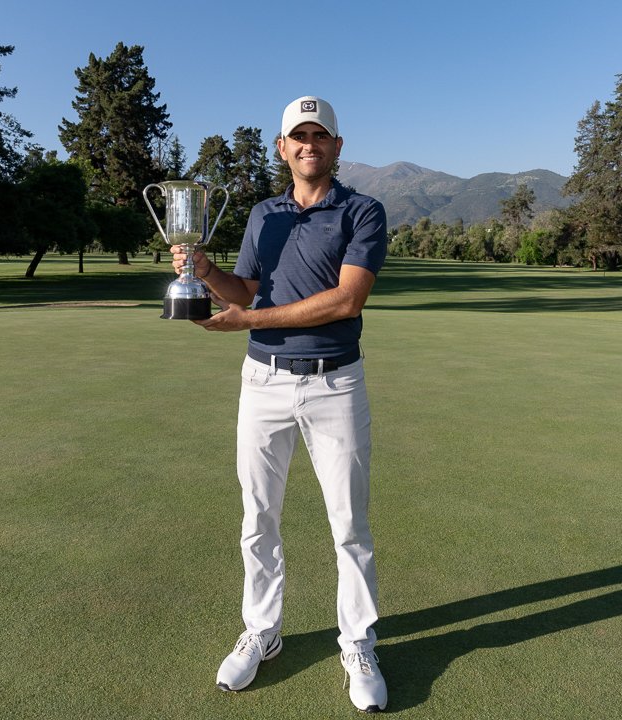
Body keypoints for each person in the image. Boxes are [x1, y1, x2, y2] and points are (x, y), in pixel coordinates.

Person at [171, 95, 389, 713]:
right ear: (282, 147)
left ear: (337, 148)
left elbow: (347, 300)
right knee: (257, 519)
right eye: (299, 136)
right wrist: (208, 272)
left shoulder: (362, 211)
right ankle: (263, 632)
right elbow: (245, 289)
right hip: (263, 382)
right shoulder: (263, 214)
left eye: (321, 136)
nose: (309, 145)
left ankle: (357, 642)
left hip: (335, 383)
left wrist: (251, 318)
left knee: (349, 526)